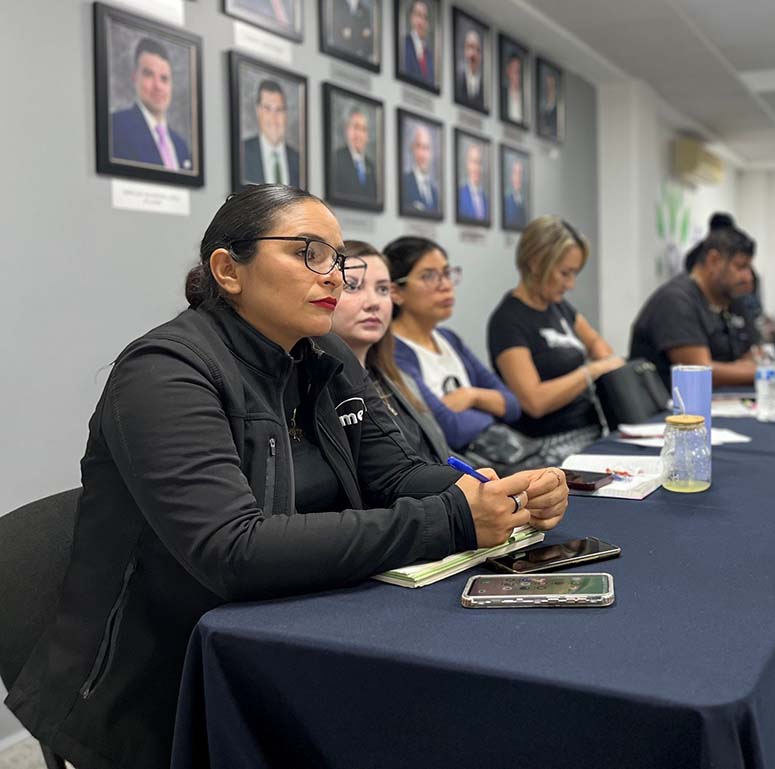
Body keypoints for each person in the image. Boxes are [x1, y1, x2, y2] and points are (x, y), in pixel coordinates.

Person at [2, 185, 568, 769]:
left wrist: (494, 493)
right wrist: (452, 518)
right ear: (229, 270)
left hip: (294, 625)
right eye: (308, 253)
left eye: (338, 259)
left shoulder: (324, 354)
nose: (335, 277)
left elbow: (395, 474)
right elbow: (234, 550)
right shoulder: (164, 373)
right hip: (168, 681)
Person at [488, 216, 624, 458]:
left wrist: (604, 361)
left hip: (591, 429)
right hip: (548, 442)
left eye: (574, 273)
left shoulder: (558, 307)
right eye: (565, 273)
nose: (570, 284)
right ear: (536, 263)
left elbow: (596, 344)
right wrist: (591, 371)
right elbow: (534, 402)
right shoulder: (507, 321)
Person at [385, 236, 522, 451]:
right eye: (429, 276)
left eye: (447, 273)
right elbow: (449, 429)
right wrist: (490, 409)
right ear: (396, 292)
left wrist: (471, 396)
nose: (446, 285)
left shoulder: (449, 339)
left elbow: (512, 405)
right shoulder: (391, 351)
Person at [629, 226, 775, 387]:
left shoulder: (730, 299)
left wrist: (743, 367)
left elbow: (754, 355)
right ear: (713, 260)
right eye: (741, 267)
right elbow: (701, 373)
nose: (748, 277)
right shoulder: (675, 301)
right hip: (674, 410)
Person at [330, 240, 452, 464]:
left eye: (383, 289)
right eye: (353, 287)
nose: (373, 303)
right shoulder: (318, 391)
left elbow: (441, 456)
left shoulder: (399, 379)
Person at [111, 38, 192, 170]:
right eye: (149, 74)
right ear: (135, 78)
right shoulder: (116, 127)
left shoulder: (181, 146)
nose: (158, 86)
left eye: (164, 79)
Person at [241, 79, 301, 185]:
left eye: (279, 110)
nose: (274, 118)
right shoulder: (242, 153)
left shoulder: (299, 161)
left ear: (286, 114)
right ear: (258, 111)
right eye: (267, 109)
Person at [331, 107, 377, 200]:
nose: (359, 134)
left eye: (363, 129)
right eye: (356, 127)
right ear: (347, 130)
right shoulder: (336, 159)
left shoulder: (371, 166)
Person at [402, 123, 440, 213]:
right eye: (419, 146)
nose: (423, 154)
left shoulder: (434, 191)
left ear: (431, 153)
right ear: (413, 149)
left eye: (426, 148)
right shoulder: (404, 183)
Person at [402, 0, 434, 86]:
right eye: (418, 15)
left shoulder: (430, 56)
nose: (421, 22)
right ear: (411, 18)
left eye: (425, 17)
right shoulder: (402, 45)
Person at [457, 142, 488, 221]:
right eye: (473, 162)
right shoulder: (459, 195)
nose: (476, 167)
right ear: (467, 164)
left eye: (479, 163)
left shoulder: (486, 200)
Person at [456, 28, 485, 111]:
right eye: (471, 47)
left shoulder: (484, 85)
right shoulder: (457, 79)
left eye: (478, 49)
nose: (474, 54)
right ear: (465, 50)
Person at [504, 157, 527, 227]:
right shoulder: (506, 201)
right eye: (515, 173)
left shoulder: (524, 202)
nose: (518, 177)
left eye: (520, 173)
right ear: (511, 176)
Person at [502, 52, 524, 123]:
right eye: (515, 70)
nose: (517, 75)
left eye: (519, 71)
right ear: (508, 71)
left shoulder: (525, 99)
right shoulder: (501, 95)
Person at [538, 68, 559, 136]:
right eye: (547, 86)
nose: (548, 90)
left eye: (551, 86)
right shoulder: (541, 110)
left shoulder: (558, 113)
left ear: (556, 90)